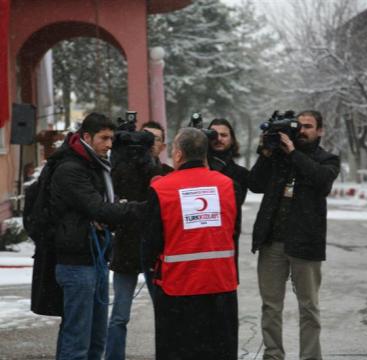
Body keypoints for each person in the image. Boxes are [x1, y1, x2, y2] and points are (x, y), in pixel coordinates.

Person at [49, 112, 144, 360]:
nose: (110, 145)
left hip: (96, 258)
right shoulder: (70, 168)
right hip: (75, 262)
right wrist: (139, 209)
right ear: (87, 136)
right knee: (77, 338)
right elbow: (98, 208)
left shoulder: (97, 165)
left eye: (112, 138)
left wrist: (110, 213)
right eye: (104, 138)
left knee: (95, 339)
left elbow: (103, 208)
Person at [142, 127, 242, 360]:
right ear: (205, 154)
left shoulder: (161, 189)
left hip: (177, 288)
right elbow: (233, 232)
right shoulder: (228, 186)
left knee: (177, 351)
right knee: (220, 352)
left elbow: (151, 241)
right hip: (221, 286)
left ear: (177, 154)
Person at [248, 110, 340, 360]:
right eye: (298, 126)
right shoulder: (278, 156)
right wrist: (265, 153)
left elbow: (322, 182)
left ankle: (310, 357)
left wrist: (293, 153)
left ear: (319, 131)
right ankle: (273, 354)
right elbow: (255, 184)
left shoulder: (327, 159)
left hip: (306, 242)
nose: (302, 130)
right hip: (272, 241)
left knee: (308, 307)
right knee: (270, 306)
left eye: (308, 126)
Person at [105, 121, 172, 360]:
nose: (148, 143)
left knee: (165, 313)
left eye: (154, 139)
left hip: (156, 250)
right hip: (127, 247)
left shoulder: (166, 173)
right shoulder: (123, 168)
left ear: (163, 145)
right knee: (120, 314)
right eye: (144, 137)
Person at [207, 118, 249, 203]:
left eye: (223, 135)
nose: (218, 139)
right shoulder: (199, 168)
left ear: (232, 139)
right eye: (214, 135)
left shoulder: (241, 174)